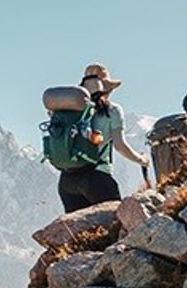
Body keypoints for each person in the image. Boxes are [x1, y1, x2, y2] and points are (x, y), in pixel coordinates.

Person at [57, 63, 148, 212]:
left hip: (67, 181)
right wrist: (141, 160)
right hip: (96, 177)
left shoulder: (69, 110)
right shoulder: (112, 110)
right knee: (114, 226)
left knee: (78, 233)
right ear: (107, 88)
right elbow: (120, 146)